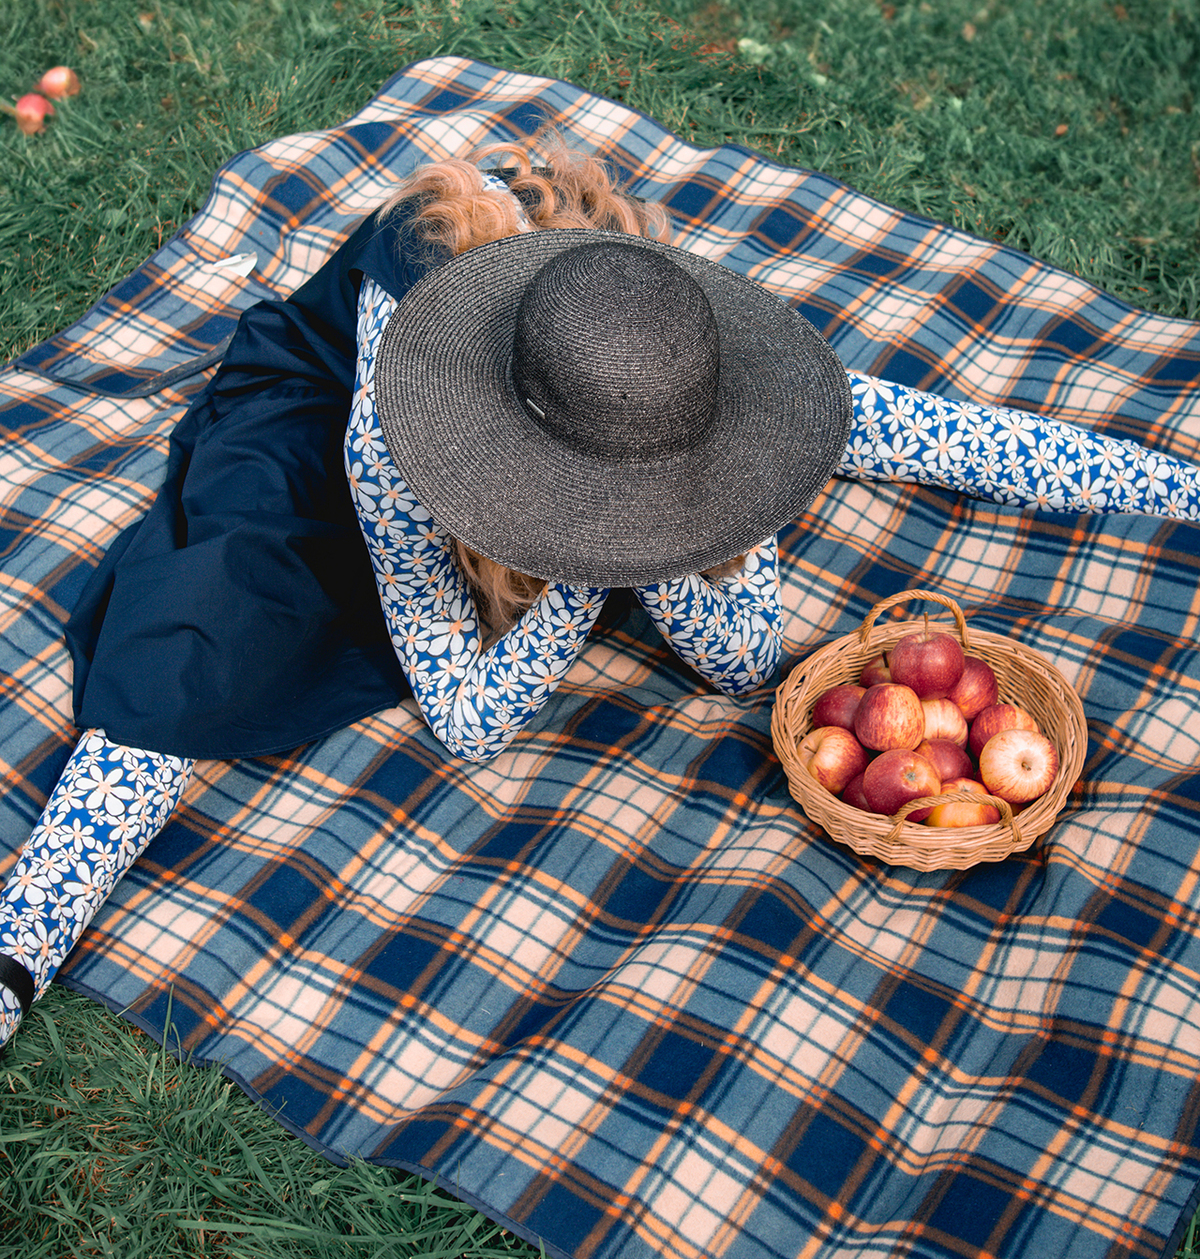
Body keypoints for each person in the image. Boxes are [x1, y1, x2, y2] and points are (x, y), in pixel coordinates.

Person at [2, 137, 1200, 1050]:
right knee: (196, 639)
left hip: (592, 386)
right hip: (317, 425)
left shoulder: (666, 373)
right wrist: (587, 566)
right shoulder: (395, 439)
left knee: (819, 500)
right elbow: (470, 717)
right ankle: (19, 945)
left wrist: (671, 518)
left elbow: (876, 486)